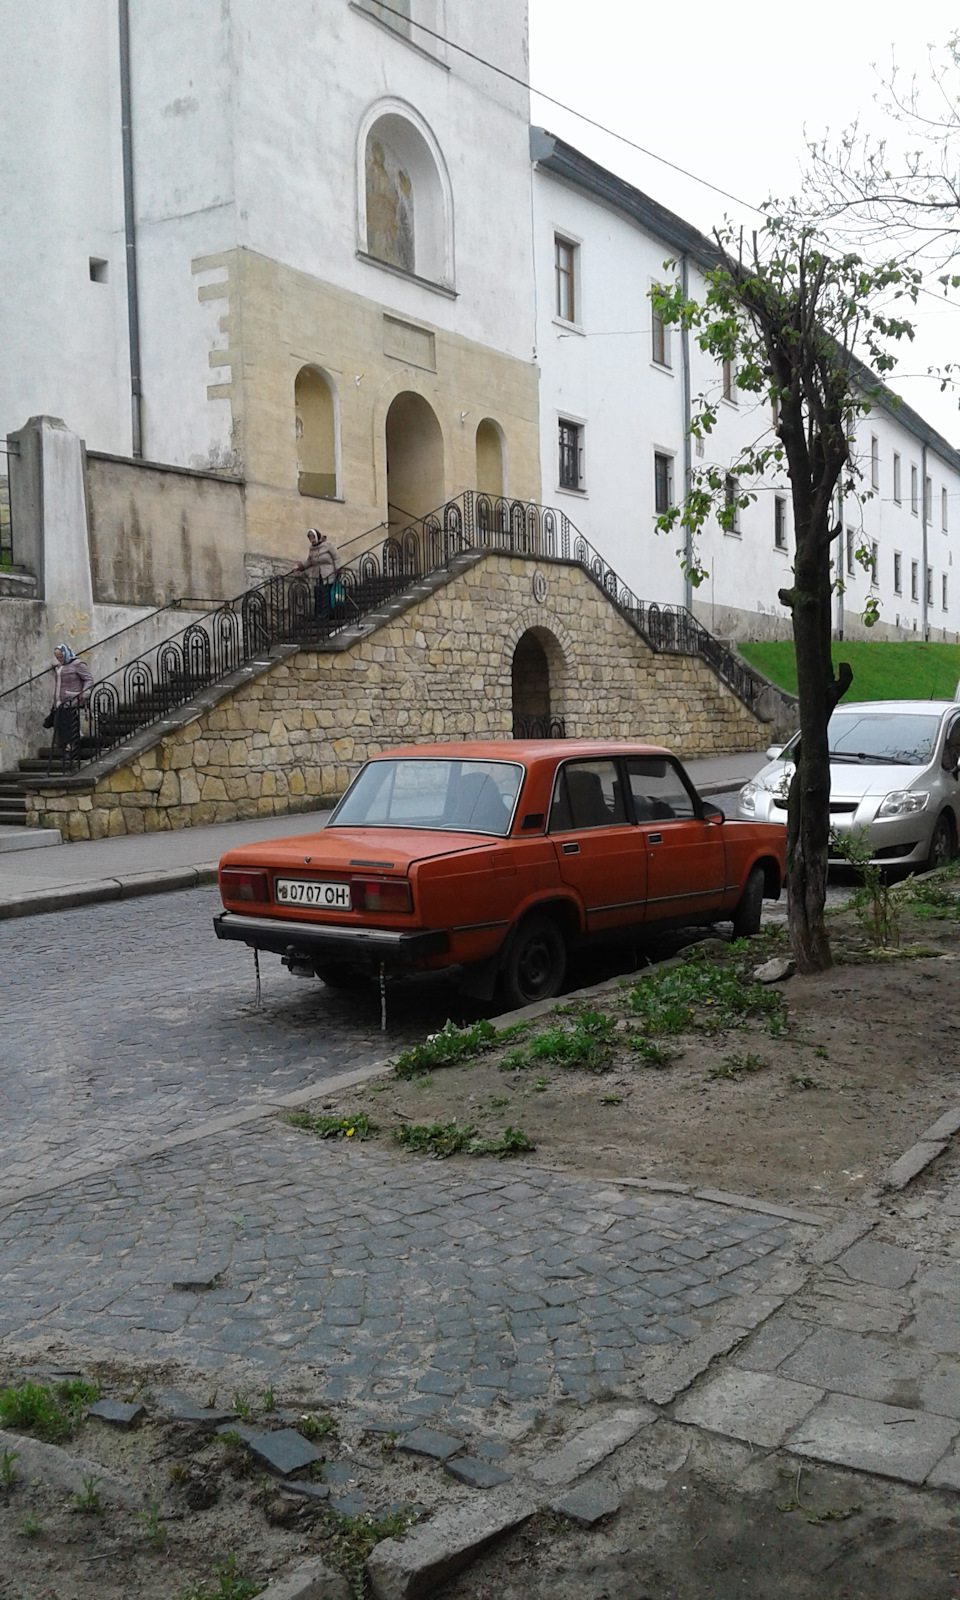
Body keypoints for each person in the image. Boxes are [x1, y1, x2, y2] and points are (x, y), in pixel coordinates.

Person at [49, 643, 93, 761]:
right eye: (57, 657)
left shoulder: (77, 664)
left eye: (60, 657)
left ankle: (70, 750)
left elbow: (88, 679)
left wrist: (83, 693)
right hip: (59, 701)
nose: (59, 659)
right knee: (59, 725)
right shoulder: (59, 666)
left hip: (72, 700)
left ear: (66, 654)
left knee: (69, 726)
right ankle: (67, 748)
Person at [293, 527, 341, 621]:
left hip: (328, 573)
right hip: (316, 574)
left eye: (313, 537)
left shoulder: (328, 545)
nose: (312, 540)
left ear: (317, 536)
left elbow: (336, 557)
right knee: (318, 594)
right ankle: (319, 615)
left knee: (326, 594)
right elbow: (310, 561)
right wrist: (300, 567)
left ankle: (327, 615)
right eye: (310, 538)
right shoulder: (312, 548)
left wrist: (338, 569)